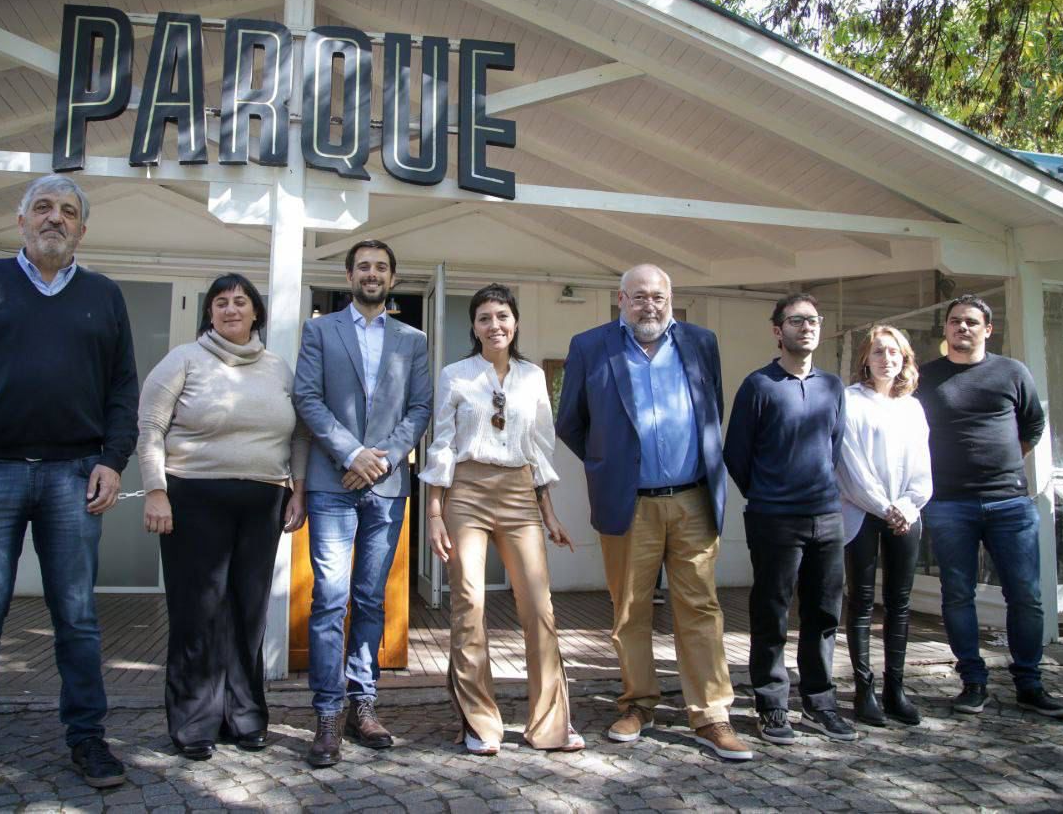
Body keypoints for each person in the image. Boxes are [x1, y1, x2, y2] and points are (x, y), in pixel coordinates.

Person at [0, 175, 138, 805]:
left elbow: (123, 389)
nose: (55, 219)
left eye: (68, 212)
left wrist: (114, 460)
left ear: (82, 230)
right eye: (43, 208)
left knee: (79, 619)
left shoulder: (103, 295)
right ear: (21, 221)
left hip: (74, 476)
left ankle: (86, 736)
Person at [556, 264, 751, 762]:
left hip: (692, 499)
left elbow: (714, 409)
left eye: (658, 297)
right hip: (629, 502)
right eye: (639, 297)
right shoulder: (590, 345)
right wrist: (608, 463)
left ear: (671, 298)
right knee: (629, 610)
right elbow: (571, 421)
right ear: (620, 299)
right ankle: (638, 703)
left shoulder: (701, 342)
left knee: (701, 610)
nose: (650, 306)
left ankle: (711, 714)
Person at [137, 273, 305, 760]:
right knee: (198, 613)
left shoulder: (278, 368)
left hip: (264, 502)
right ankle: (193, 723)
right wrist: (155, 491)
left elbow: (298, 436)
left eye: (241, 302)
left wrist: (297, 490)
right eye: (220, 303)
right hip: (193, 499)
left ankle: (245, 717)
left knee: (249, 615)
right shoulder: (182, 361)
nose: (231, 309)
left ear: (256, 313)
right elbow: (150, 429)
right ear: (209, 313)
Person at [420, 284, 583, 756]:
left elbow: (538, 448)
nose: (495, 325)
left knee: (538, 605)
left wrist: (548, 512)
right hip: (465, 492)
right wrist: (434, 512)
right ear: (473, 327)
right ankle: (479, 723)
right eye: (485, 317)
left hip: (518, 493)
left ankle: (549, 724)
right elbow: (442, 445)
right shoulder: (456, 375)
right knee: (468, 601)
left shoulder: (532, 377)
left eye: (503, 316)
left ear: (515, 323)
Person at [293, 240, 433, 767]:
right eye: (363, 266)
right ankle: (327, 712)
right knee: (330, 598)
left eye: (381, 267)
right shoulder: (319, 331)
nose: (371, 274)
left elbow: (420, 407)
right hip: (333, 483)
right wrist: (352, 452)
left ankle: (362, 702)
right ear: (349, 275)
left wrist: (385, 458)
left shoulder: (412, 339)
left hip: (387, 487)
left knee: (371, 599)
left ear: (392, 278)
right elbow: (307, 397)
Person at [915, 295, 1063, 718]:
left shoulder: (1012, 372)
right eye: (953, 322)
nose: (961, 328)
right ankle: (973, 681)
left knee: (1026, 595)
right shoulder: (925, 378)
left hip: (1009, 503)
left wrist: (1001, 466)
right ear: (945, 330)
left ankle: (1030, 683)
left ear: (988, 329)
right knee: (957, 595)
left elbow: (1032, 426)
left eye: (970, 322)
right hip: (948, 503)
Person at [724, 293, 855, 745]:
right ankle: (772, 706)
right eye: (797, 320)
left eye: (814, 320)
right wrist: (767, 494)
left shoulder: (832, 386)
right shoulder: (759, 386)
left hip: (826, 515)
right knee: (772, 613)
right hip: (774, 518)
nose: (807, 327)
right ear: (777, 330)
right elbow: (736, 455)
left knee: (823, 614)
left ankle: (820, 703)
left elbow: (833, 448)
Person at [836, 325, 932, 727]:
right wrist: (882, 505)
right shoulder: (850, 401)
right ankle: (864, 690)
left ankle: (896, 687)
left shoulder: (912, 407)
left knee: (899, 603)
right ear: (865, 358)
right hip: (861, 512)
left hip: (905, 517)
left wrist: (907, 506)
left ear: (904, 359)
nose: (886, 358)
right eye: (878, 351)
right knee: (860, 602)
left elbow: (922, 467)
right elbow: (849, 463)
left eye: (894, 352)